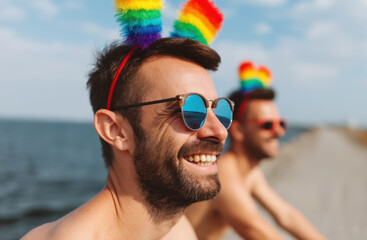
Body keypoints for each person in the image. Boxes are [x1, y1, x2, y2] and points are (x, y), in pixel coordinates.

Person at [23, 0, 232, 239]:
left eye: (220, 110)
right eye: (191, 109)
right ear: (116, 130)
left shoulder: (179, 231)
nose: (220, 131)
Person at [186, 61, 326, 240]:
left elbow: (286, 216)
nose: (279, 132)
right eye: (267, 125)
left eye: (280, 123)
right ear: (238, 130)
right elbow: (255, 228)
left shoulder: (249, 172)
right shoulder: (222, 176)